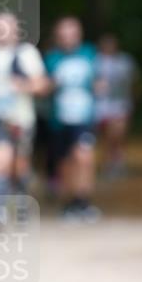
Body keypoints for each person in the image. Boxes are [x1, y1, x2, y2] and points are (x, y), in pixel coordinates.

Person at [0, 12, 48, 208]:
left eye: (6, 28)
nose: (1, 33)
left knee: (20, 164)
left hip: (21, 118)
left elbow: (42, 84)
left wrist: (23, 86)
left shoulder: (26, 53)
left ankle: (21, 195)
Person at [44, 16, 100, 222]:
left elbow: (100, 81)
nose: (68, 38)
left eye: (71, 33)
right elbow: (43, 87)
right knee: (65, 163)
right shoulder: (51, 58)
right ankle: (69, 203)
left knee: (84, 157)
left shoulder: (90, 54)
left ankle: (83, 201)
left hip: (84, 117)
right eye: (63, 34)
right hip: (59, 119)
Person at [93, 33, 140, 178]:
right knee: (106, 136)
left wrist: (132, 101)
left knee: (118, 135)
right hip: (101, 106)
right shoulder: (95, 61)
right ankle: (108, 163)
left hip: (120, 105)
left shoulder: (125, 61)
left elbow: (135, 83)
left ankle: (118, 163)